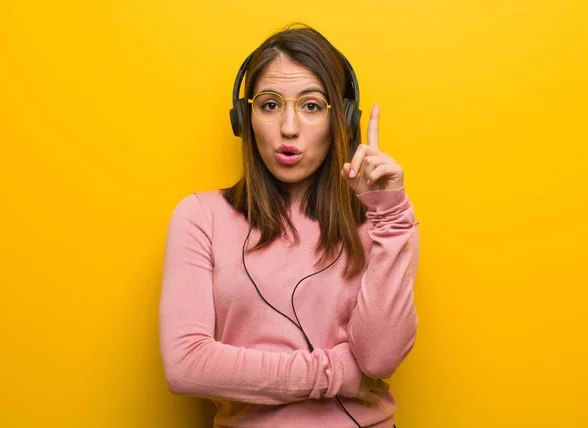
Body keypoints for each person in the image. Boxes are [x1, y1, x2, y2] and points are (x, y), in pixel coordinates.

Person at [159, 23, 420, 428]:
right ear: (244, 119)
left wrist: (389, 213)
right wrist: (338, 374)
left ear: (343, 121)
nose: (289, 128)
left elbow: (380, 358)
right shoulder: (199, 217)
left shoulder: (383, 220)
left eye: (312, 106)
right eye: (270, 105)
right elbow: (187, 364)